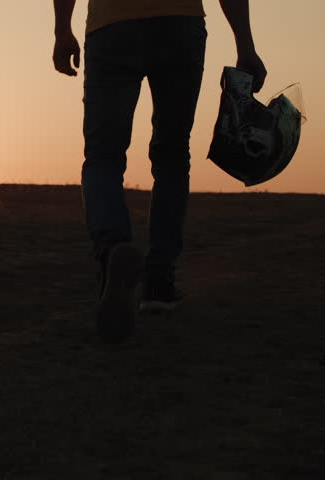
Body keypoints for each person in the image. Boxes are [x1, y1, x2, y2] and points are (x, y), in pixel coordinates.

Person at [51, 0, 266, 343]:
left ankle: (112, 249)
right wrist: (246, 45)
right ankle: (159, 283)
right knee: (172, 154)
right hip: (180, 24)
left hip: (111, 26)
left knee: (103, 157)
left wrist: (62, 30)